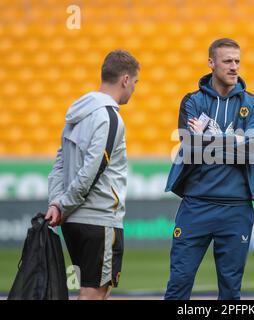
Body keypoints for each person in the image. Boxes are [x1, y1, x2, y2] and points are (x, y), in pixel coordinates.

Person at [164, 38, 254, 300]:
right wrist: (235, 140)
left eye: (237, 61)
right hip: (196, 205)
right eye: (227, 61)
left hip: (237, 208)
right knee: (179, 283)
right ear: (211, 63)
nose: (234, 67)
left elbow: (251, 151)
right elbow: (190, 146)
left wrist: (208, 140)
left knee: (231, 289)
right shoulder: (192, 100)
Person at [45, 49, 140, 300]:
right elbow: (92, 170)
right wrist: (62, 205)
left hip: (73, 221)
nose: (134, 89)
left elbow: (59, 165)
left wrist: (58, 203)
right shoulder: (110, 117)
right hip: (99, 219)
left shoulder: (76, 113)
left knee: (93, 290)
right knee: (93, 294)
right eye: (136, 82)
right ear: (125, 80)